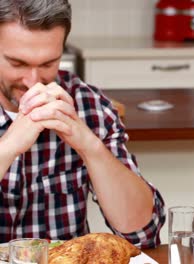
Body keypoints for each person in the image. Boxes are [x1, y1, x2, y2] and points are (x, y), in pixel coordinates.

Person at [0, 0, 165, 248]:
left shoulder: (89, 105)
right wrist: (8, 147)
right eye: (18, 63)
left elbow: (143, 234)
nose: (33, 81)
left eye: (48, 64)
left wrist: (90, 146)